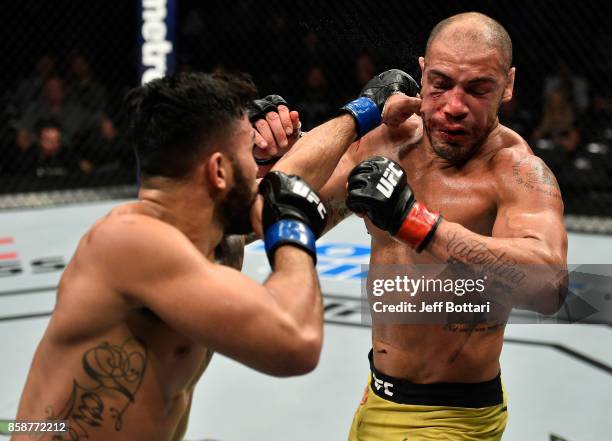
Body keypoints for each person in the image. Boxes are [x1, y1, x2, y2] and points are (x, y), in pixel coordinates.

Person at [263, 11, 567, 441]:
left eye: (478, 89)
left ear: (509, 85)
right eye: (441, 84)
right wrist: (266, 157)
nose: (455, 106)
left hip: (450, 418)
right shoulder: (389, 138)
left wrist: (415, 222)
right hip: (377, 396)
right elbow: (284, 206)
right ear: (421, 73)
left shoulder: (515, 172)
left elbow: (550, 286)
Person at [11, 72, 341, 441]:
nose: (257, 167)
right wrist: (291, 226)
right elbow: (297, 341)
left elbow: (311, 187)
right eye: (248, 155)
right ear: (218, 171)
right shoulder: (128, 242)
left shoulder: (207, 240)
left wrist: (362, 115)